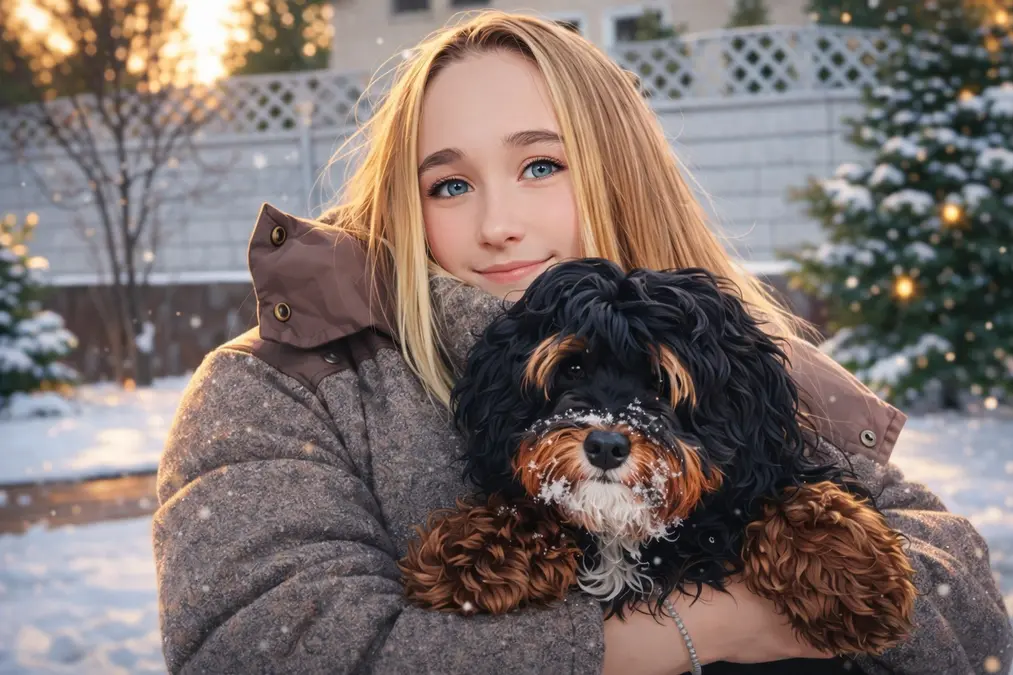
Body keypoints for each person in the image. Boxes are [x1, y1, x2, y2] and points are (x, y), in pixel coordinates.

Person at [152, 10, 1012, 675]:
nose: (498, 224)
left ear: (614, 171)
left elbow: (965, 609)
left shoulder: (724, 353)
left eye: (540, 165)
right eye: (448, 184)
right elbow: (272, 646)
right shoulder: (279, 386)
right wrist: (709, 625)